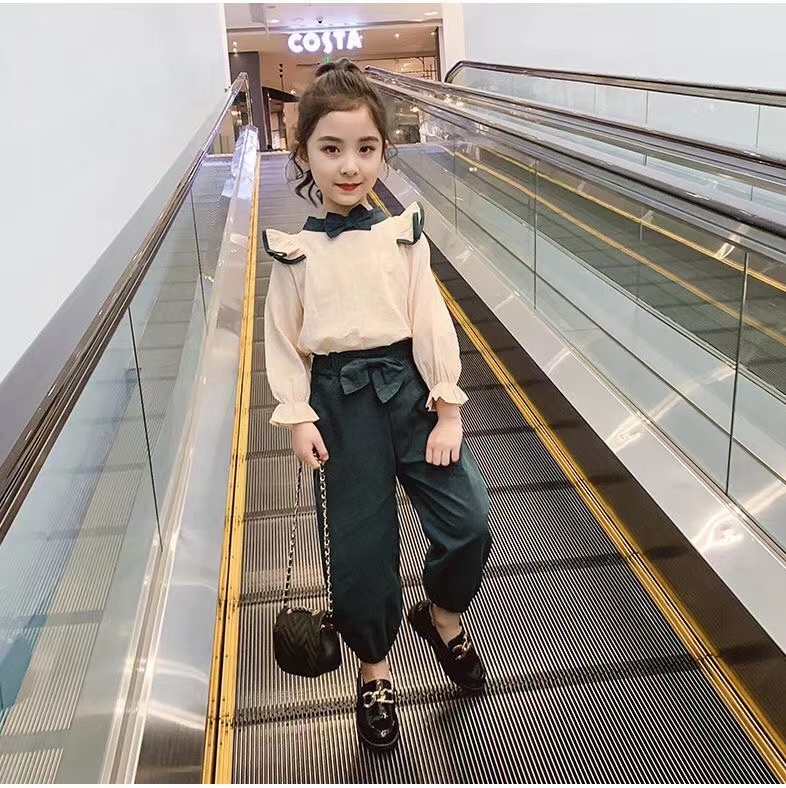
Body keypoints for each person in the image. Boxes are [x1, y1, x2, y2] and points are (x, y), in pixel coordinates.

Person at [263, 58, 491, 752]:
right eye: (331, 148)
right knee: (361, 549)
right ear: (304, 153)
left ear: (383, 151)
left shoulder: (403, 235)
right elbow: (283, 341)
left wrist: (448, 408)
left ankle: (441, 617)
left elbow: (430, 322)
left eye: (365, 148)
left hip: (410, 391)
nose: (349, 165)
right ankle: (374, 671)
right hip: (339, 402)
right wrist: (298, 415)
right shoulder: (295, 253)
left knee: (468, 521)